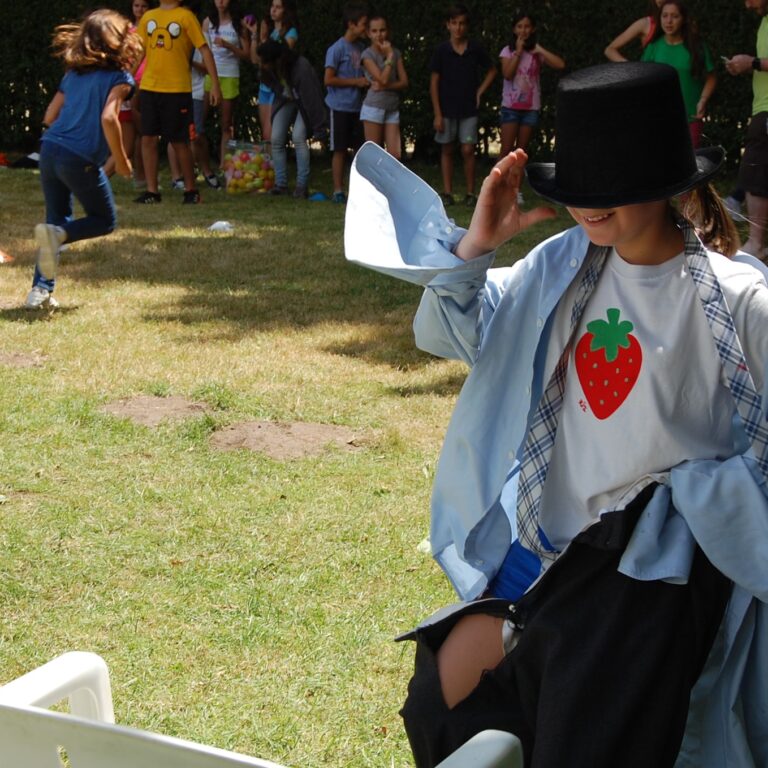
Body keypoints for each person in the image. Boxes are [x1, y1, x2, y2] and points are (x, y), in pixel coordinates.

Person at [346, 61, 768, 767]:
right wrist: (478, 246)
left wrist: (706, 496)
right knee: (443, 696)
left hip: (651, 580)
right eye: (578, 187)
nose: (590, 206)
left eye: (612, 187)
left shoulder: (737, 301)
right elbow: (465, 333)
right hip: (548, 555)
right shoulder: (561, 266)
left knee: (585, 733)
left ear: (667, 181)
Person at [25, 10, 141, 310]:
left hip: (49, 150)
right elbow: (108, 118)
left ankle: (40, 291)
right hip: (78, 158)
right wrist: (121, 159)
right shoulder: (121, 78)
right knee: (103, 220)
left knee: (55, 221)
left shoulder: (72, 74)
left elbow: (49, 116)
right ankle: (58, 238)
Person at [134, 0, 221, 204]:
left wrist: (215, 84)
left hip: (177, 90)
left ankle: (191, 191)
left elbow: (205, 50)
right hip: (149, 87)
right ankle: (152, 192)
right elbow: (139, 52)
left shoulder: (185, 16)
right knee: (147, 138)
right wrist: (125, 79)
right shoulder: (148, 17)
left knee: (179, 141)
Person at [430, 3, 496, 208]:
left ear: (466, 26)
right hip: (447, 109)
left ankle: (470, 192)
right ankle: (447, 192)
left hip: (468, 109)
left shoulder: (475, 49)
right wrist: (437, 113)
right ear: (448, 25)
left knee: (468, 149)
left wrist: (479, 91)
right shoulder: (441, 51)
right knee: (447, 149)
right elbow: (434, 83)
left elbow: (493, 70)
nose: (458, 28)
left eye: (462, 24)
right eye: (454, 23)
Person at [498, 11, 564, 203]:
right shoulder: (507, 51)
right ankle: (497, 187)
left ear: (532, 29)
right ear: (514, 29)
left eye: (527, 26)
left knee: (520, 152)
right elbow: (507, 74)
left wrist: (540, 50)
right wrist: (518, 52)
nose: (523, 30)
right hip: (510, 107)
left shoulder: (536, 53)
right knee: (506, 150)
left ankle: (515, 191)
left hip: (530, 108)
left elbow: (560, 64)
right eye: (519, 26)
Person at [256, 40, 327, 198]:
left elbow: (312, 99)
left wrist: (319, 130)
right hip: (285, 99)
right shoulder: (268, 70)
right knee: (276, 138)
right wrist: (282, 91)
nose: (262, 65)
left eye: (265, 62)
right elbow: (271, 83)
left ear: (276, 60)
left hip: (303, 100)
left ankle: (302, 186)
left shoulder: (301, 68)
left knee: (298, 137)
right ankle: (280, 184)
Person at [725, 0, 768, 259]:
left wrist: (750, 62)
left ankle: (756, 243)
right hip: (761, 108)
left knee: (755, 171)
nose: (748, 5)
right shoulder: (764, 21)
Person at [641, 0, 716, 148]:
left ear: (683, 19)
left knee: (689, 166)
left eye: (674, 16)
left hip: (690, 118)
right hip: (659, 117)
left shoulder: (697, 46)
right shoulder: (653, 47)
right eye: (665, 16)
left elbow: (711, 77)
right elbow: (643, 80)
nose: (669, 21)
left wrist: (703, 100)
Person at [324, 1, 369, 204]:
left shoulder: (362, 48)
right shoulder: (336, 49)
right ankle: (338, 190)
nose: (365, 29)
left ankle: (357, 191)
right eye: (363, 24)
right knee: (340, 149)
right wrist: (356, 82)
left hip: (358, 108)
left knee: (358, 151)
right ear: (351, 24)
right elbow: (328, 79)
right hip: (339, 107)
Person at [104, 0, 152, 184]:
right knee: (135, 134)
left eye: (143, 6)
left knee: (144, 133)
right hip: (131, 83)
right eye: (136, 6)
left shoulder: (152, 26)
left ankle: (141, 176)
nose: (139, 10)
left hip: (147, 81)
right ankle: (137, 176)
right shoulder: (127, 29)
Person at [202, 0, 250, 167]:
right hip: (210, 75)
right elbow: (203, 51)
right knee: (199, 120)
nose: (221, 2)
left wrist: (228, 45)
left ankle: (225, 164)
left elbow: (246, 54)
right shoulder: (207, 22)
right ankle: (200, 163)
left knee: (226, 124)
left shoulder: (239, 24)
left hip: (230, 74)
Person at [245, 0, 299, 143]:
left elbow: (280, 57)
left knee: (271, 134)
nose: (273, 10)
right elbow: (255, 60)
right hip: (264, 86)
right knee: (266, 135)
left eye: (278, 7)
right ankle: (269, 165)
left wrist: (264, 40)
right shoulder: (269, 31)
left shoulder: (290, 33)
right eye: (272, 6)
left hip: (277, 88)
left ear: (285, 11)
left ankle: (275, 165)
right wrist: (255, 36)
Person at [360, 14, 408, 160]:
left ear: (388, 31)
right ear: (368, 33)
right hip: (374, 107)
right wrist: (389, 57)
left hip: (392, 107)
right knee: (374, 155)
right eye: (374, 31)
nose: (379, 35)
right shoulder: (367, 55)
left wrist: (386, 86)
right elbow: (383, 78)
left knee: (395, 155)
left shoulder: (395, 52)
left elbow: (404, 82)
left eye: (382, 30)